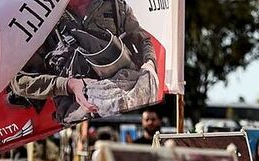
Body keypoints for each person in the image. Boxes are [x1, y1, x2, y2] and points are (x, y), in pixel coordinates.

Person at [9, 0, 159, 124]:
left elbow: (143, 40)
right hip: (77, 117)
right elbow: (19, 81)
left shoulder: (115, 6)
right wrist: (68, 85)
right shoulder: (39, 18)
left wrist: (149, 64)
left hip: (124, 108)